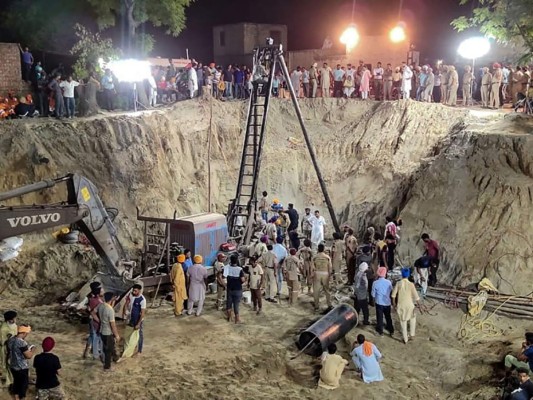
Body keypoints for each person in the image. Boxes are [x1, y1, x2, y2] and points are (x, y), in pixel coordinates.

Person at [392, 268, 420, 344]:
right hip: (410, 305)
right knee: (412, 319)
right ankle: (412, 335)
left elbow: (393, 295)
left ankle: (405, 339)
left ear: (402, 274)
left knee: (403, 322)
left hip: (401, 306)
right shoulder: (411, 284)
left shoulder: (398, 283)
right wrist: (419, 305)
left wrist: (394, 305)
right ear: (408, 275)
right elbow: (416, 297)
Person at [7, 324, 35, 399]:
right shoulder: (21, 343)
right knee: (23, 385)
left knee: (16, 382)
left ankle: (16, 398)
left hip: (13, 365)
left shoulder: (11, 339)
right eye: (27, 333)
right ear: (24, 333)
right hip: (21, 367)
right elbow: (28, 356)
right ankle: (22, 398)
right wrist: (32, 349)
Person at [122, 284, 146, 359]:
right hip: (130, 318)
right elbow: (126, 303)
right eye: (133, 290)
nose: (134, 292)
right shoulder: (131, 295)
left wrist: (138, 323)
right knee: (129, 333)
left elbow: (142, 313)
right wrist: (124, 313)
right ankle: (130, 347)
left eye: (135, 291)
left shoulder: (142, 300)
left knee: (139, 335)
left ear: (139, 291)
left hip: (137, 319)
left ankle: (139, 351)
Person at [97, 292, 120, 371]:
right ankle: (107, 367)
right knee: (108, 350)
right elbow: (112, 325)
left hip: (101, 330)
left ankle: (115, 358)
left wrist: (100, 321)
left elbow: (93, 312)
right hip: (107, 332)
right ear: (112, 298)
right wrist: (116, 335)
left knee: (110, 346)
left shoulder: (100, 306)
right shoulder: (110, 310)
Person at [371, 267, 394, 337]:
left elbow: (373, 294)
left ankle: (380, 330)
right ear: (385, 274)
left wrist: (373, 301)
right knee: (388, 316)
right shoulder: (389, 282)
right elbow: (391, 292)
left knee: (379, 317)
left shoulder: (375, 283)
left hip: (379, 303)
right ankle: (391, 329)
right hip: (387, 302)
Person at [224, 254, 245, 323]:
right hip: (237, 289)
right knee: (236, 304)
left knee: (229, 303)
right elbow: (242, 280)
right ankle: (237, 319)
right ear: (237, 261)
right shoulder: (240, 269)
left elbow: (222, 276)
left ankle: (229, 318)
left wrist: (224, 284)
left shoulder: (227, 268)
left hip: (229, 288)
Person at [85, 282, 103, 360]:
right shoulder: (96, 301)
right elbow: (93, 312)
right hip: (95, 321)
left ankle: (88, 351)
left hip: (92, 320)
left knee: (92, 335)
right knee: (95, 336)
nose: (103, 289)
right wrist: (100, 321)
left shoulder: (92, 298)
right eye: (101, 288)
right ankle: (94, 354)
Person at [312, 244, 332, 312]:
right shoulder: (327, 257)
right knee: (327, 290)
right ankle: (329, 305)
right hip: (325, 274)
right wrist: (329, 276)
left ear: (318, 249)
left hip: (317, 273)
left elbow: (312, 268)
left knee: (316, 291)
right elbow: (330, 268)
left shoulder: (315, 257)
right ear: (323, 249)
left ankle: (316, 306)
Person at [0, 311, 17, 387]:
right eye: (14, 318)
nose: (15, 319)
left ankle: (12, 380)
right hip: (5, 349)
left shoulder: (14, 325)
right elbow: (1, 341)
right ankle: (8, 382)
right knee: (6, 364)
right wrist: (8, 338)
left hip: (14, 347)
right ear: (10, 319)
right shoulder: (3, 329)